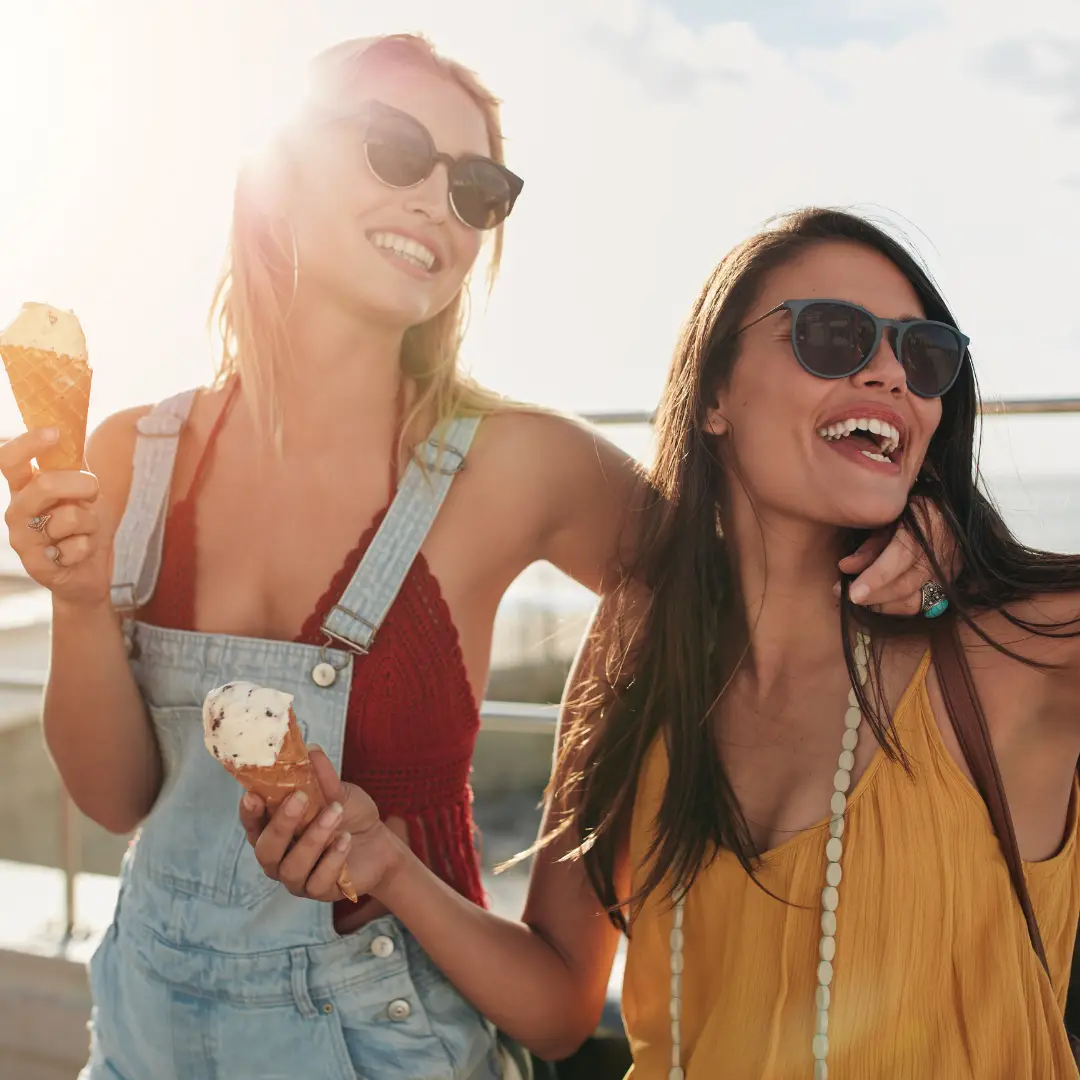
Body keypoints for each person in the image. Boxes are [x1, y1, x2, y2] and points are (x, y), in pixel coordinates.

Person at [0, 30, 954, 1080]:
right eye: (397, 150)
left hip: (398, 1048)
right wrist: (83, 604)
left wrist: (920, 537)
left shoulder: (522, 465)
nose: (437, 204)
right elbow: (118, 797)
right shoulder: (132, 450)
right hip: (143, 1043)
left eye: (478, 187)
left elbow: (753, 570)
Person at [243, 206, 1080, 1079]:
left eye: (925, 356)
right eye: (834, 336)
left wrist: (967, 561)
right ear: (715, 393)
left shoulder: (1011, 648)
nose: (891, 375)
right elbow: (563, 1006)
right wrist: (389, 871)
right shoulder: (641, 641)